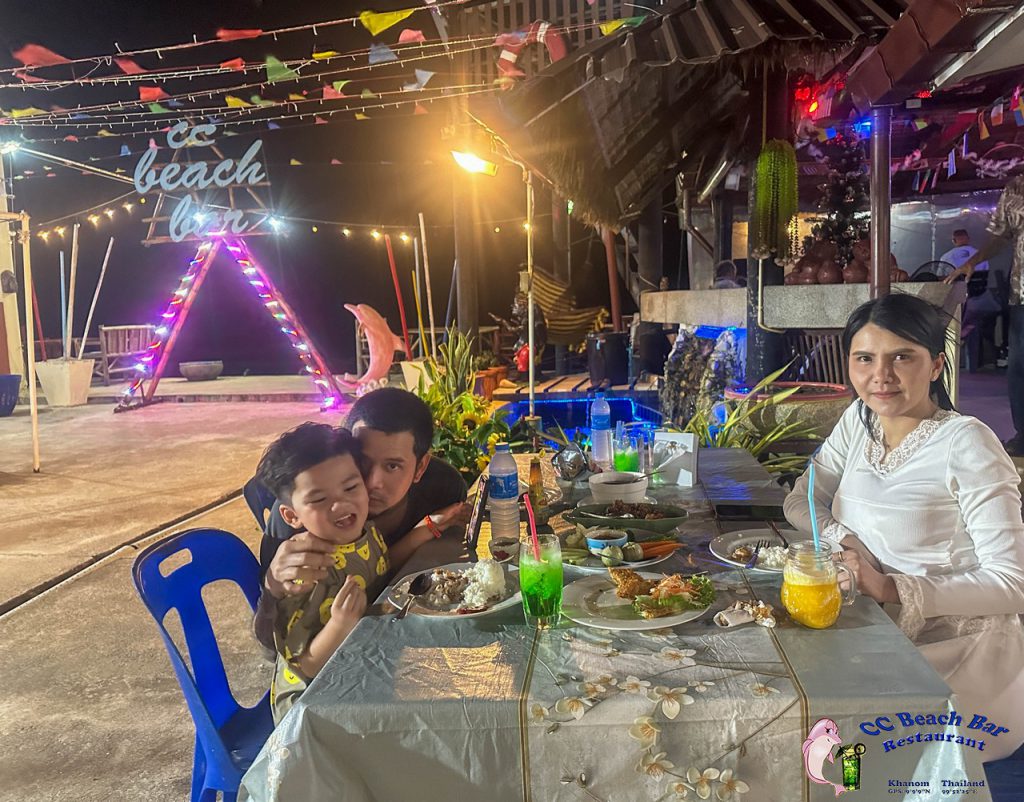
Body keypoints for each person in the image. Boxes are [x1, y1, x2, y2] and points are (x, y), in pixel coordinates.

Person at [784, 293, 1024, 761]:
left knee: (814, 727)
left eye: (902, 357)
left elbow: (1012, 583)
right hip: (870, 625)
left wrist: (889, 586)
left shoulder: (967, 443)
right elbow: (802, 499)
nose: (881, 376)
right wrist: (847, 541)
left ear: (935, 366)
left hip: (951, 656)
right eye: (865, 359)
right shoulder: (859, 421)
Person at [258, 387, 469, 601]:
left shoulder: (442, 488)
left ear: (420, 468)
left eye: (392, 466)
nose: (371, 482)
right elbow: (267, 611)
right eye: (361, 461)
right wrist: (273, 582)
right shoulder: (301, 507)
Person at [253, 423, 399, 721]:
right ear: (292, 516)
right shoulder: (305, 571)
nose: (340, 504)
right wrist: (340, 625)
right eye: (319, 499)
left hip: (364, 668)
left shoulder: (367, 533)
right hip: (313, 708)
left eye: (350, 487)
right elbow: (303, 666)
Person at [944, 179, 1024, 455]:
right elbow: (1000, 235)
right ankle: (1023, 435)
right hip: (1022, 294)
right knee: (1020, 368)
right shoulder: (1017, 188)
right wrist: (972, 262)